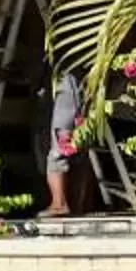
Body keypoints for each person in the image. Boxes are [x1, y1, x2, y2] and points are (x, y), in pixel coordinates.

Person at [46, 66, 90, 218]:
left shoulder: (67, 79)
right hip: (74, 97)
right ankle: (74, 204)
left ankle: (59, 204)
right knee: (78, 153)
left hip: (68, 102)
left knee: (59, 152)